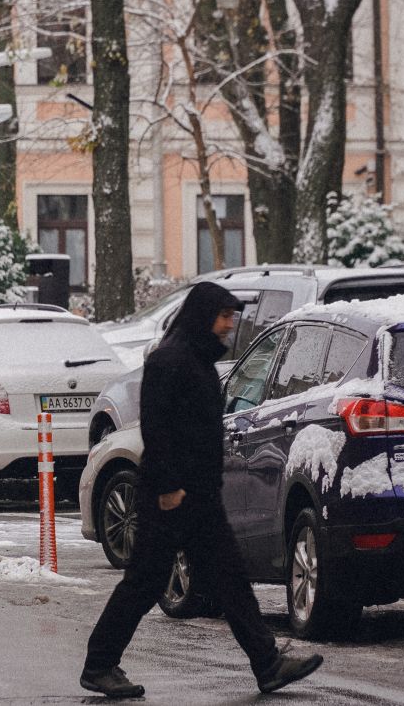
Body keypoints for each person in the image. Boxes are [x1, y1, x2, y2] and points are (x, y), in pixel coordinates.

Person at [80, 281, 323, 698]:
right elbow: (157, 429)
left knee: (230, 581)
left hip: (199, 497)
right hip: (170, 497)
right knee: (145, 582)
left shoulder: (196, 359)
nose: (229, 325)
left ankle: (267, 664)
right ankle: (100, 664)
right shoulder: (170, 361)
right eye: (224, 317)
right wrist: (170, 488)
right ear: (202, 315)